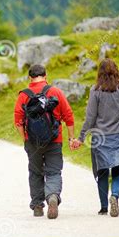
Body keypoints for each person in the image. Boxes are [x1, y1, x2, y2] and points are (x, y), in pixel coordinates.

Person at [76, 58, 119, 217]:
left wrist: (81, 137)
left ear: (99, 73)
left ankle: (104, 207)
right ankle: (115, 195)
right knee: (118, 171)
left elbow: (90, 118)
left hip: (100, 138)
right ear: (117, 72)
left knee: (102, 172)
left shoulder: (95, 91)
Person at [14, 64, 76, 219]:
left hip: (33, 142)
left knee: (35, 172)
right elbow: (68, 115)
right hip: (54, 140)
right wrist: (71, 137)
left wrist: (25, 139)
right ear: (45, 75)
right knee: (54, 171)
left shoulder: (23, 95)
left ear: (30, 77)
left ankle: (37, 205)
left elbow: (18, 121)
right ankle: (52, 196)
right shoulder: (55, 92)